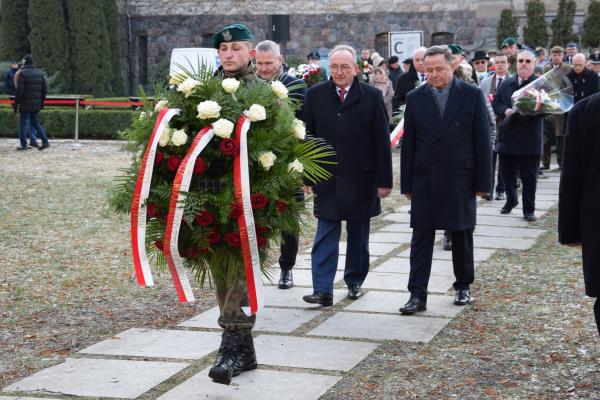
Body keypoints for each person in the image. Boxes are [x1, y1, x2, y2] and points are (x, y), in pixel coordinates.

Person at [399, 45, 491, 314]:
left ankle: (463, 285)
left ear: (452, 66)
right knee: (421, 238)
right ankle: (417, 294)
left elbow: (482, 140)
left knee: (461, 234)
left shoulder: (471, 95)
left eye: (439, 69)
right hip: (425, 178)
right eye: (429, 70)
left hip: (459, 177)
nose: (434, 74)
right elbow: (410, 144)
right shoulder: (415, 98)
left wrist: (483, 183)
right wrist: (407, 184)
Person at [302, 44, 393, 306]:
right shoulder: (316, 94)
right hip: (326, 176)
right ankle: (322, 289)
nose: (339, 72)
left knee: (358, 235)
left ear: (355, 69)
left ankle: (354, 281)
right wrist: (307, 175)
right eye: (334, 67)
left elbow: (380, 141)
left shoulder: (372, 96)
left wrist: (384, 181)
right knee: (325, 233)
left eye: (344, 67)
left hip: (361, 177)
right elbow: (308, 138)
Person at [208, 23, 259, 385]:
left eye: (235, 48)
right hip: (210, 199)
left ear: (249, 52)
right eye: (223, 49)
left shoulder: (264, 93)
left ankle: (228, 351)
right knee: (221, 276)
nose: (228, 54)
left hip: (250, 200)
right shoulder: (201, 91)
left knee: (240, 275)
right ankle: (248, 353)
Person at [255, 40, 307, 289]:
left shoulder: (296, 85)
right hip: (257, 163)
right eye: (259, 63)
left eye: (269, 63)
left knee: (288, 220)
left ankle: (287, 268)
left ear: (280, 59)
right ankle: (258, 266)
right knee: (258, 217)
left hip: (287, 163)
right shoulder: (249, 85)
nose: (263, 68)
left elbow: (300, 123)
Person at [558, 92, 600, 336]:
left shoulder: (584, 109)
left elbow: (572, 176)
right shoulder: (584, 110)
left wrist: (570, 231)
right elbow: (572, 175)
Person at [493, 50, 544, 222]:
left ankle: (528, 210)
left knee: (529, 177)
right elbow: (496, 103)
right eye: (521, 60)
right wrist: (505, 110)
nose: (523, 63)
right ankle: (511, 199)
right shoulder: (506, 84)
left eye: (527, 61)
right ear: (516, 63)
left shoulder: (540, 85)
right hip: (509, 137)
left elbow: (548, 109)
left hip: (530, 138)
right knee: (506, 174)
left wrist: (535, 109)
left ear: (533, 63)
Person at [480, 53, 511, 201]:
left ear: (508, 64)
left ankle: (501, 189)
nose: (500, 65)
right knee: (489, 158)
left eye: (503, 62)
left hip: (506, 125)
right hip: (490, 126)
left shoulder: (512, 82)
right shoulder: (485, 82)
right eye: (497, 62)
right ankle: (488, 189)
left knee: (504, 159)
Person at [543, 46, 572, 169]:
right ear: (550, 55)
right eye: (554, 54)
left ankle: (561, 162)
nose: (556, 57)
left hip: (562, 104)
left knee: (560, 135)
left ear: (562, 56)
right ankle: (546, 163)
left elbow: (570, 86)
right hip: (548, 104)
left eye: (559, 54)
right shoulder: (546, 68)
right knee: (546, 135)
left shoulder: (568, 69)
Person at [13, 54, 50, 151]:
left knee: (23, 123)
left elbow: (19, 91)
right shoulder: (39, 73)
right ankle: (45, 141)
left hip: (25, 104)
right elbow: (44, 90)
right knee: (36, 123)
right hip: (36, 104)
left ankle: (23, 145)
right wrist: (41, 102)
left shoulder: (22, 74)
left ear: (24, 62)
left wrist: (16, 104)